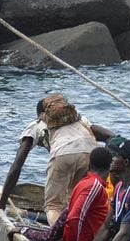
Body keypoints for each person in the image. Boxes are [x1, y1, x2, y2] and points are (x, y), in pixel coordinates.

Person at [13, 145, 113, 241]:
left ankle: (24, 229)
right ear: (109, 168)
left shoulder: (82, 184)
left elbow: (66, 217)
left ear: (89, 165)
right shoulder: (95, 186)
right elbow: (74, 219)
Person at [41, 94, 113, 226]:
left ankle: (61, 237)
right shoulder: (80, 119)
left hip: (63, 153)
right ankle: (79, 230)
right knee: (77, 196)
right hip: (89, 153)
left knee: (53, 205)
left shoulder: (42, 122)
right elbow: (107, 134)